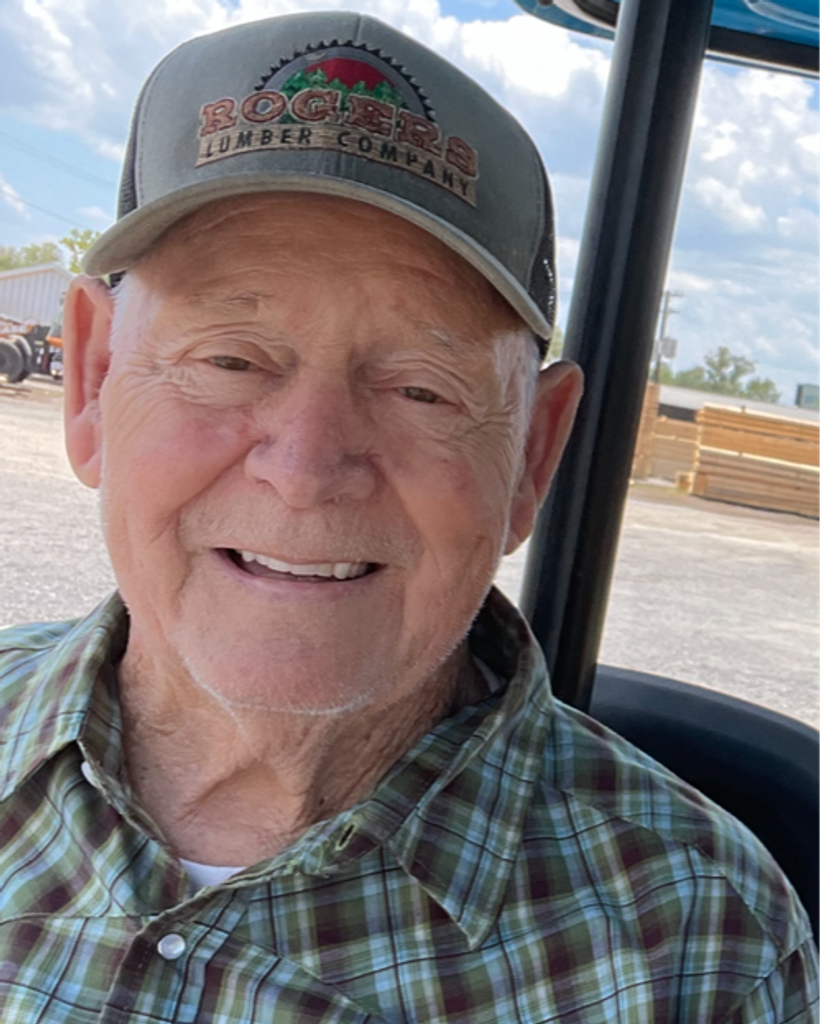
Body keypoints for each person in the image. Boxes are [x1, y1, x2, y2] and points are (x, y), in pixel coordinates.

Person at [0, 11, 817, 1023]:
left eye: (422, 388)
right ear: (91, 380)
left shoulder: (698, 951)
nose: (306, 470)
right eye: (230, 360)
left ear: (532, 455)